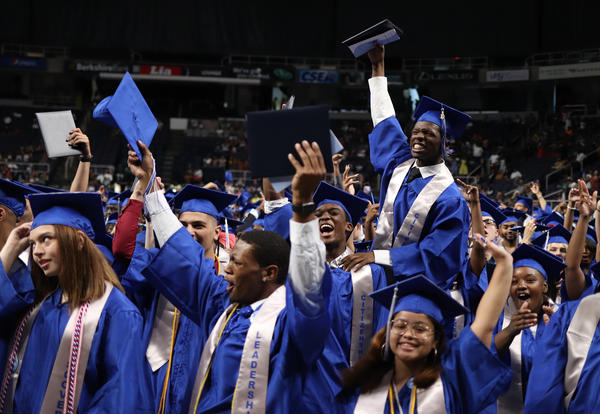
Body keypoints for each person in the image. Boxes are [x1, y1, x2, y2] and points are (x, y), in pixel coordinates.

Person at [131, 139, 335, 412]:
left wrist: (302, 206)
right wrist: (151, 186)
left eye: (237, 263)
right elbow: (185, 257)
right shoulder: (223, 305)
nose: (227, 267)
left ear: (269, 273)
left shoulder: (291, 323)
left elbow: (310, 288)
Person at [0, 192, 152, 413]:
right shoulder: (39, 307)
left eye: (46, 239)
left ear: (79, 241)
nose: (37, 252)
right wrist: (11, 247)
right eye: (33, 244)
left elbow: (122, 398)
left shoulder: (116, 312)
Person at [341, 44, 471, 290]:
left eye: (429, 133)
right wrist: (378, 67)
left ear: (445, 142)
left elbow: (438, 253)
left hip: (415, 289)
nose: (418, 137)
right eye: (416, 131)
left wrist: (378, 257)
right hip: (378, 277)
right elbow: (384, 120)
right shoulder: (401, 164)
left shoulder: (450, 198)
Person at [338, 233, 513, 413]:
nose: (408, 334)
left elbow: (484, 325)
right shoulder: (364, 385)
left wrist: (505, 265)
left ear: (436, 339)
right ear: (388, 331)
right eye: (400, 325)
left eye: (420, 328)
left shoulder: (451, 379)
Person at [493, 244, 565, 413]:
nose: (522, 285)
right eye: (514, 281)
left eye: (530, 280)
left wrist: (558, 335)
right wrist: (510, 330)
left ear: (545, 287)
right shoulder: (498, 318)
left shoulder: (561, 317)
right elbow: (479, 358)